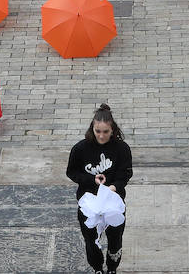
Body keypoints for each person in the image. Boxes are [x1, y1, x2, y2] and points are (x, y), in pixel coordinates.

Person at [67, 103, 132, 274]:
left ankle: (112, 268)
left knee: (115, 239)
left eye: (105, 132)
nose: (101, 136)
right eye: (98, 131)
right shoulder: (80, 148)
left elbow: (125, 173)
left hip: (113, 203)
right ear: (92, 129)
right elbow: (71, 172)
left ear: (113, 130)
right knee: (90, 240)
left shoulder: (122, 149)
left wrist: (114, 187)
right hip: (89, 204)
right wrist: (91, 180)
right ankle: (97, 268)